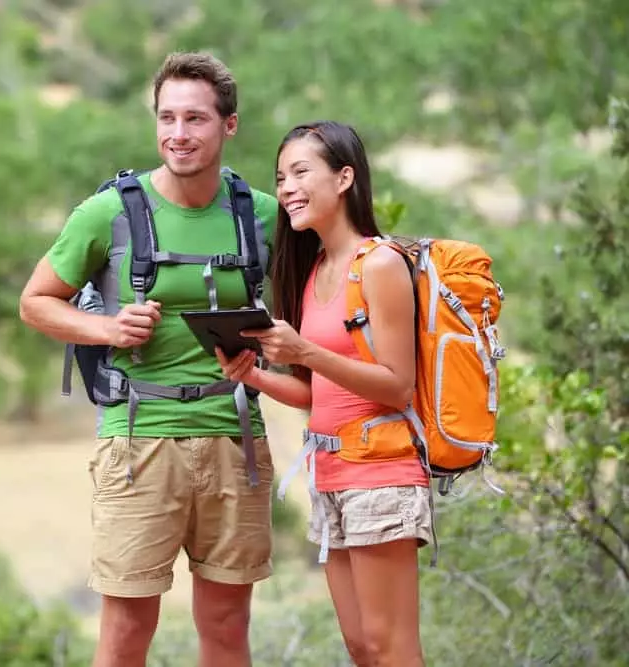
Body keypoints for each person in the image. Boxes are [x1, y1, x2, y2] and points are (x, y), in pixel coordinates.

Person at [18, 52, 279, 667]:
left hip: (233, 436)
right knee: (127, 628)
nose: (179, 134)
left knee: (225, 626)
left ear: (229, 126)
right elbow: (35, 303)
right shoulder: (107, 211)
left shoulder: (262, 215)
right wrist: (106, 328)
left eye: (195, 119)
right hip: (138, 440)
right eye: (167, 118)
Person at [215, 120, 430, 667]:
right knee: (360, 647)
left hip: (380, 473)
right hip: (329, 475)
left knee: (392, 648)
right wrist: (256, 374)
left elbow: (396, 384)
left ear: (344, 178)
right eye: (280, 176)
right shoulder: (311, 273)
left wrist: (306, 352)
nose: (285, 187)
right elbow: (318, 394)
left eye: (300, 172)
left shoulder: (379, 264)